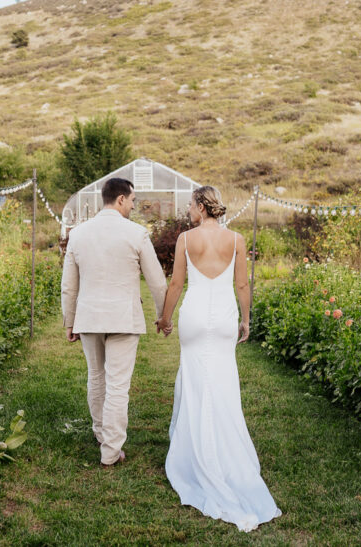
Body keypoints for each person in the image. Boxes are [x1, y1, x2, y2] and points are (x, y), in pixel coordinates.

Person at [156, 186, 281, 531]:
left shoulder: (185, 240)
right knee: (223, 383)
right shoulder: (237, 240)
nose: (188, 212)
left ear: (200, 206)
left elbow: (177, 284)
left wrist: (165, 319)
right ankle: (226, 453)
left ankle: (194, 452)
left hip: (195, 316)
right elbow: (242, 286)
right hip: (224, 316)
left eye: (190, 206)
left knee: (195, 380)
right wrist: (246, 319)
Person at [60, 177, 167, 466]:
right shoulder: (136, 233)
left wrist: (69, 321)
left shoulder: (79, 234)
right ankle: (110, 451)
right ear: (120, 199)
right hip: (123, 318)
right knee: (118, 386)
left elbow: (69, 285)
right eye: (132, 200)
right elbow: (157, 282)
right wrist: (163, 316)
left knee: (96, 377)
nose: (133, 205)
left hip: (89, 317)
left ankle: (101, 434)